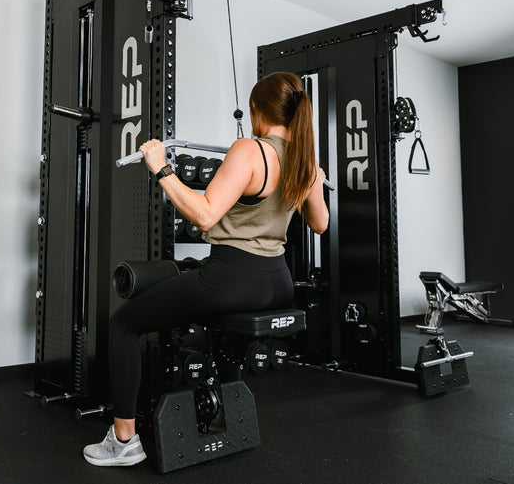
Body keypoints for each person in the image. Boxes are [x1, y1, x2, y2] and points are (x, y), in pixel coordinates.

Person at [82, 71, 329, 467]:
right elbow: (320, 224)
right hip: (277, 281)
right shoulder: (306, 161)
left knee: (123, 324)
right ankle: (224, 413)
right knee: (214, 317)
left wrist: (161, 168)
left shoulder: (250, 150)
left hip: (233, 278)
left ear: (257, 110)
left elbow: (205, 216)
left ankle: (124, 439)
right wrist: (313, 181)